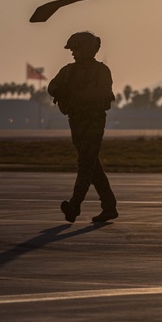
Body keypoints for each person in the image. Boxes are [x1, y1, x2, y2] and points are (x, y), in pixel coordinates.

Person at [48, 31, 118, 223]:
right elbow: (52, 86)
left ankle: (75, 205)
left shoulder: (101, 71)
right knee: (91, 164)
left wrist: (76, 95)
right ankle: (109, 206)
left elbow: (103, 93)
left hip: (93, 121)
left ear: (86, 49)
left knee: (86, 163)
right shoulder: (68, 70)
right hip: (76, 121)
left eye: (76, 49)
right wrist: (60, 92)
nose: (73, 53)